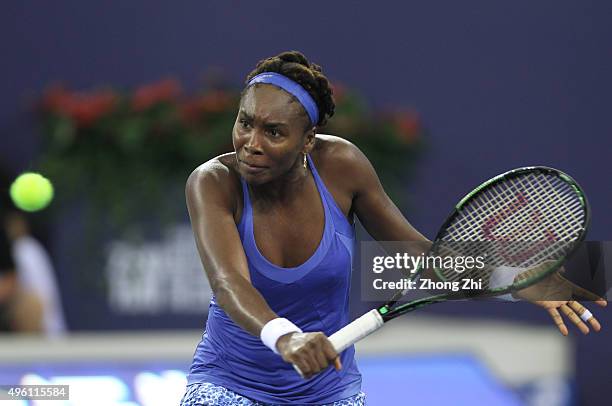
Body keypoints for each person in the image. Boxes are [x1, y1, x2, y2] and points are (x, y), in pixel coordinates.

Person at [181, 51, 606, 405]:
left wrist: (514, 281)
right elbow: (228, 283)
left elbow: (423, 257)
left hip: (329, 392)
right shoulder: (213, 182)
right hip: (229, 385)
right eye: (244, 122)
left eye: (273, 132)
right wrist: (286, 338)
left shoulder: (342, 167)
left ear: (308, 139)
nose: (251, 143)